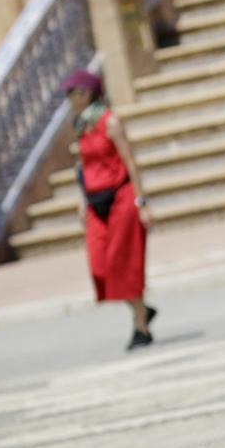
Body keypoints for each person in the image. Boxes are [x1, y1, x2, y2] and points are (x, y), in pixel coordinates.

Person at [60, 70, 157, 351]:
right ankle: (142, 309)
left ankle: (141, 326)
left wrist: (141, 203)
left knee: (123, 263)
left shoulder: (110, 122)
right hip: (94, 199)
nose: (68, 99)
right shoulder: (80, 126)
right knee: (100, 268)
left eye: (72, 93)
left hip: (121, 197)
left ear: (86, 93)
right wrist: (82, 200)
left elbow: (130, 161)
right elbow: (83, 168)